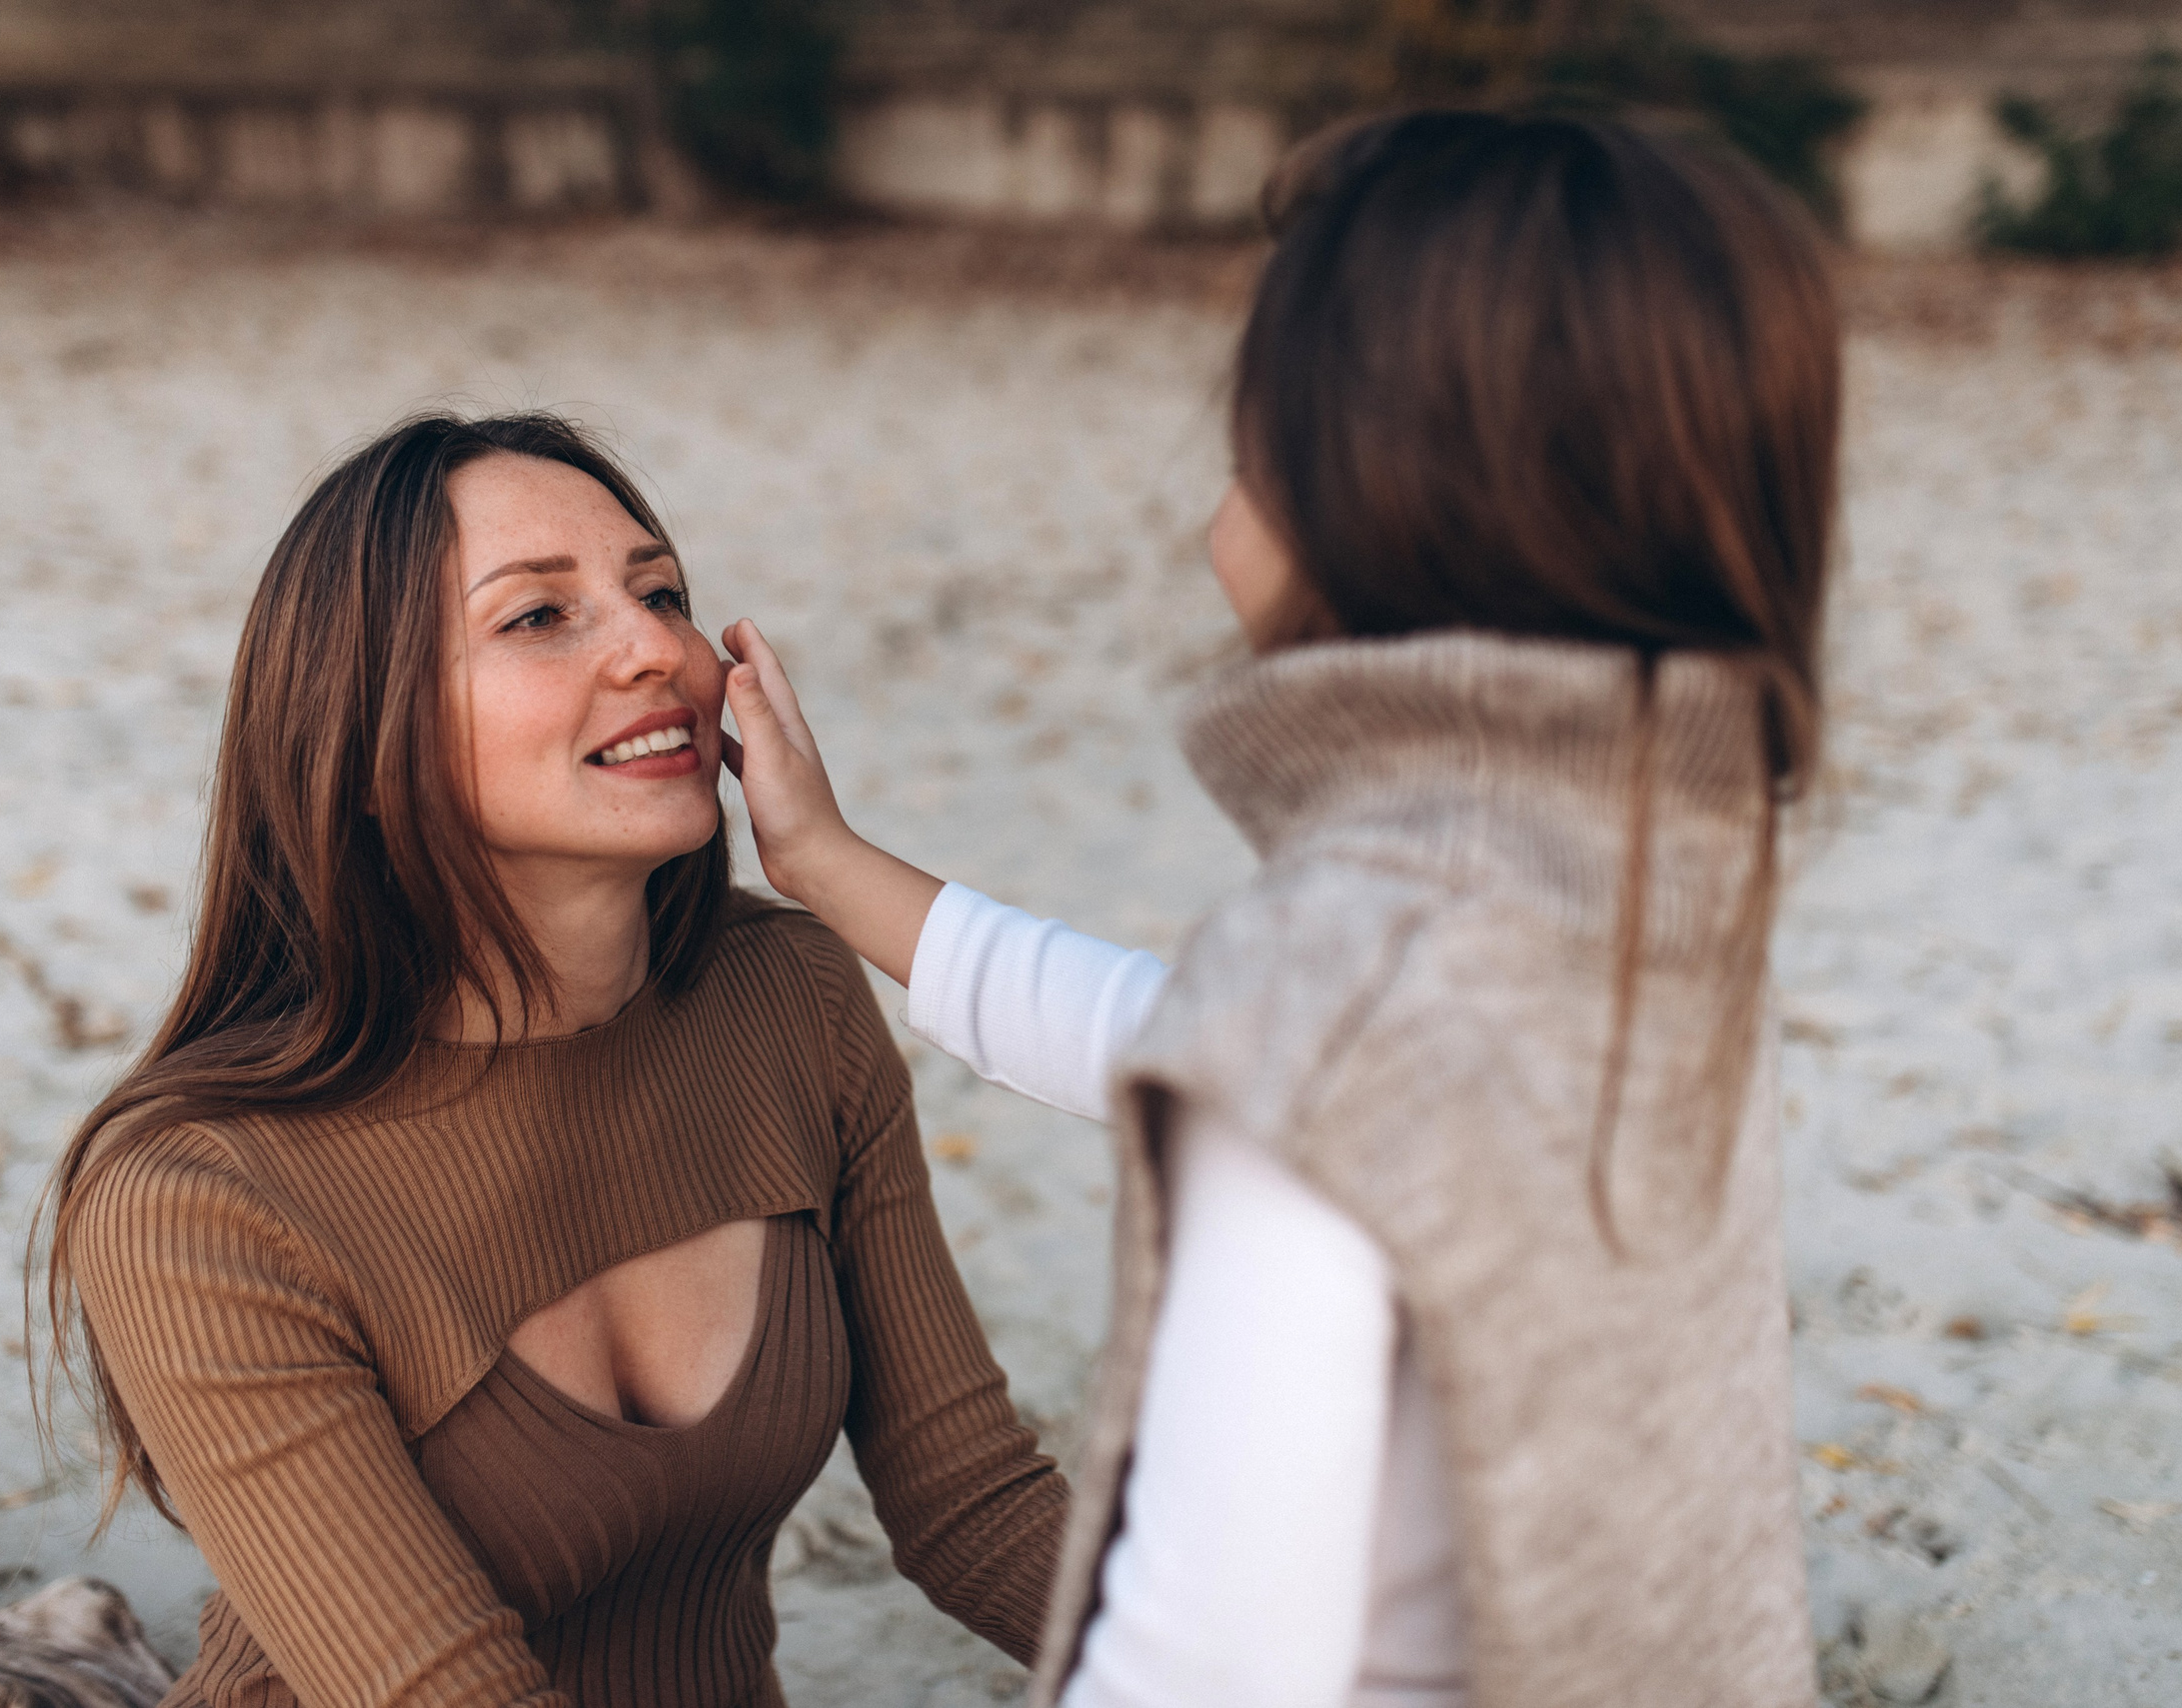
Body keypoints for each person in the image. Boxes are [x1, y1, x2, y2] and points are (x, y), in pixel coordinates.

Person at [721, 110, 1837, 1708]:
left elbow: (1208, 1663)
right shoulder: (1638, 878)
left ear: (1377, 480)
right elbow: (1215, 1049)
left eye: (1257, 422)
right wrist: (830, 865)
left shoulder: (1341, 989)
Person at [33, 413, 1068, 1708]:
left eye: (661, 592)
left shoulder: (788, 995)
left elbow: (973, 1500)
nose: (660, 651)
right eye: (539, 617)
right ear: (361, 740)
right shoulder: (196, 1195)